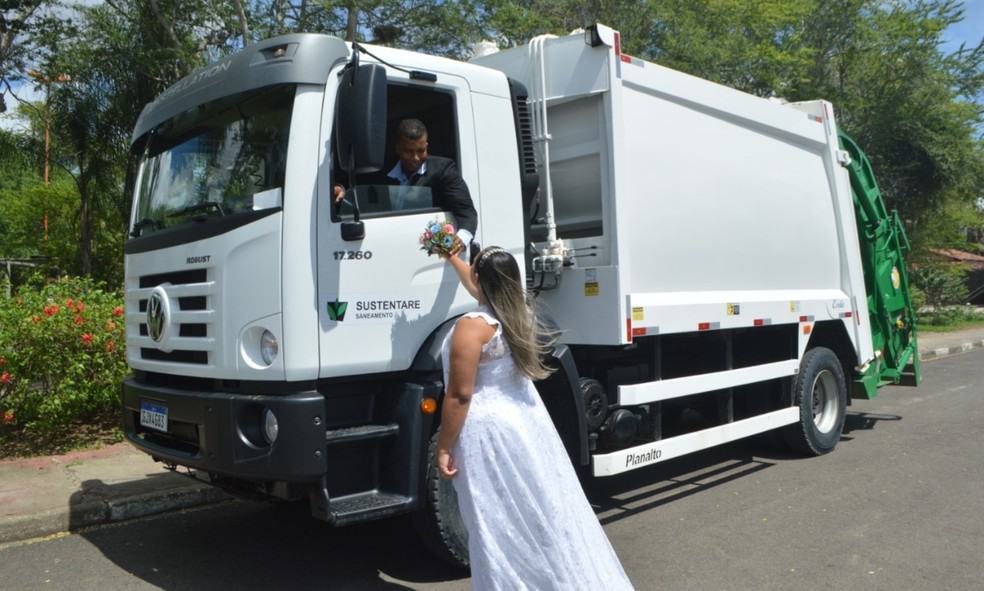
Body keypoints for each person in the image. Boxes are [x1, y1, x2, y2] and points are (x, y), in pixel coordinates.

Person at [437, 246, 635, 591]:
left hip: (487, 434)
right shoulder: (520, 316)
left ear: (481, 279)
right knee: (531, 513)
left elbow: (459, 395)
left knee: (493, 519)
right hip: (522, 427)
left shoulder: (472, 327)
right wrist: (450, 256)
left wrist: (443, 447)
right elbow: (482, 289)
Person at [335, 118, 478, 249]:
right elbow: (358, 188)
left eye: (421, 151)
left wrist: (461, 239)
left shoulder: (443, 170)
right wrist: (341, 190)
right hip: (385, 243)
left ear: (427, 145)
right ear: (397, 148)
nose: (415, 158)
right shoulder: (381, 170)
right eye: (408, 151)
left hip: (424, 246)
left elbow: (466, 212)